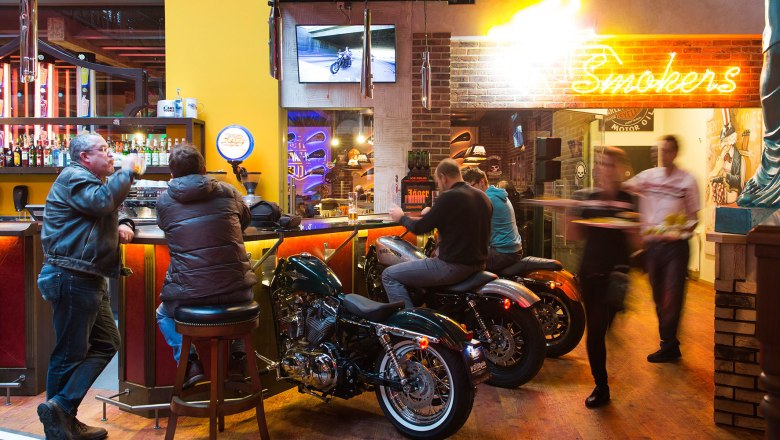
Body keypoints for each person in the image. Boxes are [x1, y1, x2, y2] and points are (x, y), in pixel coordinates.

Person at [37, 132, 141, 440]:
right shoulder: (74, 177)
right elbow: (103, 202)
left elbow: (111, 207)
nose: (111, 155)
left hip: (86, 276)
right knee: (69, 354)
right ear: (85, 157)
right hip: (71, 276)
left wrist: (125, 223)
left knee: (107, 342)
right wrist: (127, 170)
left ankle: (62, 410)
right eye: (103, 149)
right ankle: (60, 424)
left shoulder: (91, 182)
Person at [155, 144, 258, 388]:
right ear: (204, 169)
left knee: (163, 315)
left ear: (172, 173)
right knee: (246, 302)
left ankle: (190, 363)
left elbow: (165, 227)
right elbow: (245, 220)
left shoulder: (164, 201)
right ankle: (237, 358)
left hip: (189, 296)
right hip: (237, 292)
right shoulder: (229, 191)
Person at [568, 147, 638, 409]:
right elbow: (573, 235)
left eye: (609, 164)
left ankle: (602, 383)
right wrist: (570, 212)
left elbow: (638, 240)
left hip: (616, 274)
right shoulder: (591, 199)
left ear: (621, 168)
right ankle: (601, 386)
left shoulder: (629, 200)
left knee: (602, 325)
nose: (604, 169)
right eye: (601, 164)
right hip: (590, 272)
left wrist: (635, 226)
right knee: (596, 331)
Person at [624, 135, 700, 363]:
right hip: (653, 247)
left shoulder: (687, 180)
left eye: (666, 150)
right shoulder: (647, 177)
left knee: (672, 295)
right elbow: (623, 188)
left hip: (676, 247)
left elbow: (694, 218)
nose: (661, 154)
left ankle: (668, 343)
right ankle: (670, 343)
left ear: (675, 153)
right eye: (658, 150)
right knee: (659, 296)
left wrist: (679, 230)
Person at [384, 159, 492, 308]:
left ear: (443, 177)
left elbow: (420, 228)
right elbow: (462, 223)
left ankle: (409, 319)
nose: (439, 186)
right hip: (479, 264)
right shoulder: (483, 197)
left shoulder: (449, 197)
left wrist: (401, 217)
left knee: (389, 275)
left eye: (437, 182)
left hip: (452, 266)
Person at [462, 168, 523, 272]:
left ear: (481, 182)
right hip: (512, 250)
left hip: (503, 253)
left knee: (460, 260)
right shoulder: (495, 194)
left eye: (471, 187)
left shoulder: (487, 198)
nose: (468, 192)